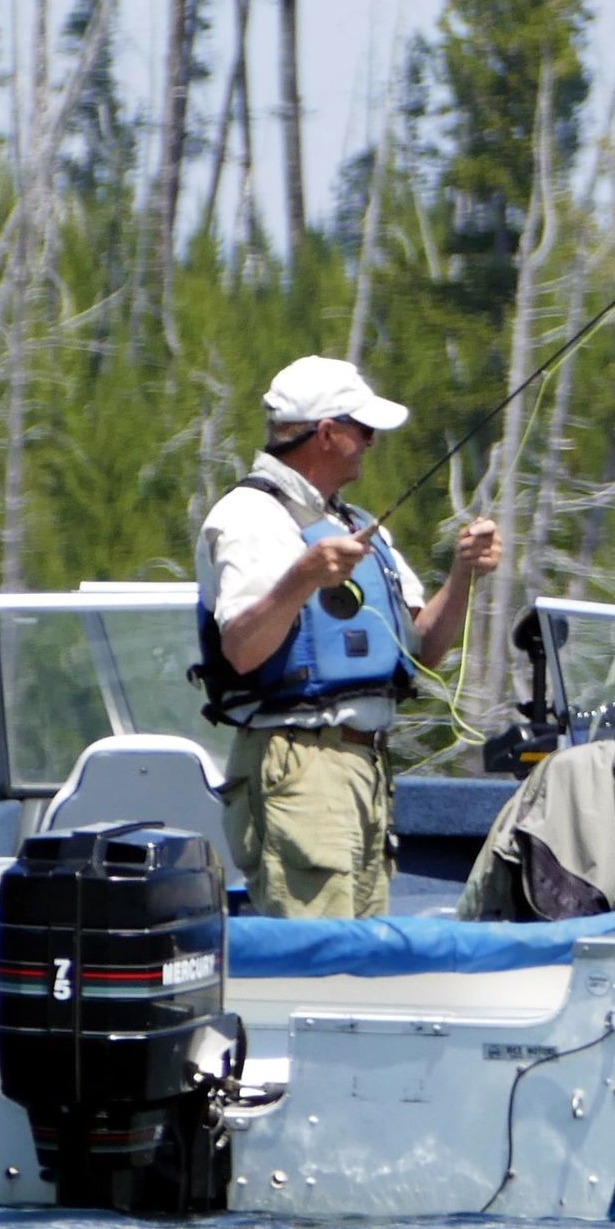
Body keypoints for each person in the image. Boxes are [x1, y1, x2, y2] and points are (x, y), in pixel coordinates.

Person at [195, 355, 500, 917]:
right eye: (363, 430)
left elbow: (423, 651)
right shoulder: (249, 518)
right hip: (301, 765)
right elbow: (242, 649)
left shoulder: (350, 521)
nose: (372, 442)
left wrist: (463, 575)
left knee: (361, 954)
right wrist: (304, 577)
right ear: (327, 434)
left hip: (366, 770)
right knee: (320, 951)